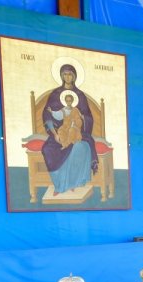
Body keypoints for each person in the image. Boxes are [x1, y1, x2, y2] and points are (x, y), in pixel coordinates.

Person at [40, 64, 97, 197]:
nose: (68, 77)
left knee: (81, 147)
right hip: (58, 133)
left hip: (77, 132)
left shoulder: (80, 96)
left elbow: (88, 116)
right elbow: (49, 115)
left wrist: (81, 119)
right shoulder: (55, 95)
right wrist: (54, 134)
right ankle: (59, 185)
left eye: (70, 74)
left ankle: (72, 183)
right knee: (48, 149)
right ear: (61, 76)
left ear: (75, 76)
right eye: (65, 74)